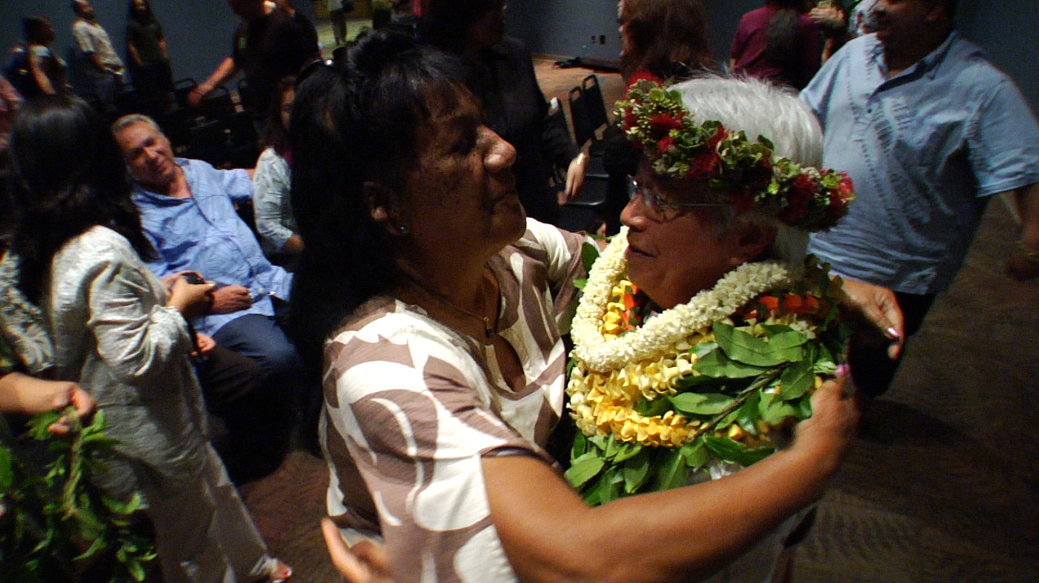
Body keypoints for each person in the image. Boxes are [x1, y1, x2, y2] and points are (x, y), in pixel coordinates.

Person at [289, 31, 857, 583]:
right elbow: (580, 563)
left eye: (485, 124)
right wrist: (807, 466)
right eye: (463, 144)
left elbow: (623, 255)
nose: (505, 148)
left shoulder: (510, 254)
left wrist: (813, 278)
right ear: (382, 205)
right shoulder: (380, 365)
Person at [0, 93, 291, 583]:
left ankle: (257, 566)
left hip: (142, 420)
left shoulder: (36, 247)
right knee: (191, 541)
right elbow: (137, 358)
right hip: (146, 424)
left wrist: (158, 290)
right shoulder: (101, 246)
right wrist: (180, 308)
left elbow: (88, 317)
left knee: (214, 488)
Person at [801, 0, 1039, 399]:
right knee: (786, 370)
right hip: (815, 249)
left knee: (850, 390)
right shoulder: (854, 54)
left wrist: (1032, 246)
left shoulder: (982, 88)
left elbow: (1028, 171)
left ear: (935, 9)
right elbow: (806, 117)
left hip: (893, 277)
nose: (877, 6)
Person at [110, 114, 306, 423]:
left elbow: (252, 178)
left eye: (152, 143)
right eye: (136, 153)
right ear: (126, 167)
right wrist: (209, 303)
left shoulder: (198, 170)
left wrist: (293, 165)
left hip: (270, 279)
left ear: (166, 141)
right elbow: (154, 285)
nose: (150, 155)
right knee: (278, 357)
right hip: (225, 308)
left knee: (330, 311)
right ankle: (293, 424)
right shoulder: (135, 215)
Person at [420, 0, 588, 225]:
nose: (502, 14)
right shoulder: (434, 75)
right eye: (490, 7)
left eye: (501, 5)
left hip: (535, 205)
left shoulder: (515, 54)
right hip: (481, 216)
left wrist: (571, 155)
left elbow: (541, 120)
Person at [602, 0, 714, 235]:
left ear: (645, 28)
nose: (621, 29)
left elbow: (621, 157)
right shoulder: (694, 76)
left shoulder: (660, 97)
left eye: (624, 22)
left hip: (648, 229)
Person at [189, 0, 318, 117]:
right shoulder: (244, 30)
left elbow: (307, 66)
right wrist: (208, 85)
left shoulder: (284, 25)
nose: (235, 11)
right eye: (233, 6)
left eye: (239, 5)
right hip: (263, 110)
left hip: (290, 110)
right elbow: (238, 57)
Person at [253, 76, 303, 265]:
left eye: (301, 106)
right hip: (289, 257)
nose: (296, 114)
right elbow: (267, 225)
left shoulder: (325, 150)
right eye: (288, 109)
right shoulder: (272, 161)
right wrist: (313, 254)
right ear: (278, 115)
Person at [731, 0, 823, 90]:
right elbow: (812, 69)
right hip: (783, 96)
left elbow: (734, 61)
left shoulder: (748, 18)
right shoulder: (806, 24)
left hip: (744, 91)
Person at [71, 0, 125, 114]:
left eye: (89, 5)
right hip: (102, 72)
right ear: (77, 10)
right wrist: (103, 69)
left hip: (114, 70)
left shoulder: (96, 26)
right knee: (109, 107)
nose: (89, 8)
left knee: (119, 103)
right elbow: (88, 51)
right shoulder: (80, 27)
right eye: (84, 7)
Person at [126, 0, 174, 116]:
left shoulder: (154, 23)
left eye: (142, 4)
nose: (141, 7)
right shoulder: (132, 25)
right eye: (138, 5)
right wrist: (140, 63)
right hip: (147, 64)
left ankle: (171, 112)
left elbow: (161, 40)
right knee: (153, 93)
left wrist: (165, 56)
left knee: (167, 90)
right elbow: (131, 45)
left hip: (160, 61)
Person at [16, 16, 68, 99]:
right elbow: (41, 75)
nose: (52, 30)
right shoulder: (40, 50)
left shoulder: (43, 49)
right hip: (54, 100)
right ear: (38, 31)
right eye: (47, 27)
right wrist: (53, 98)